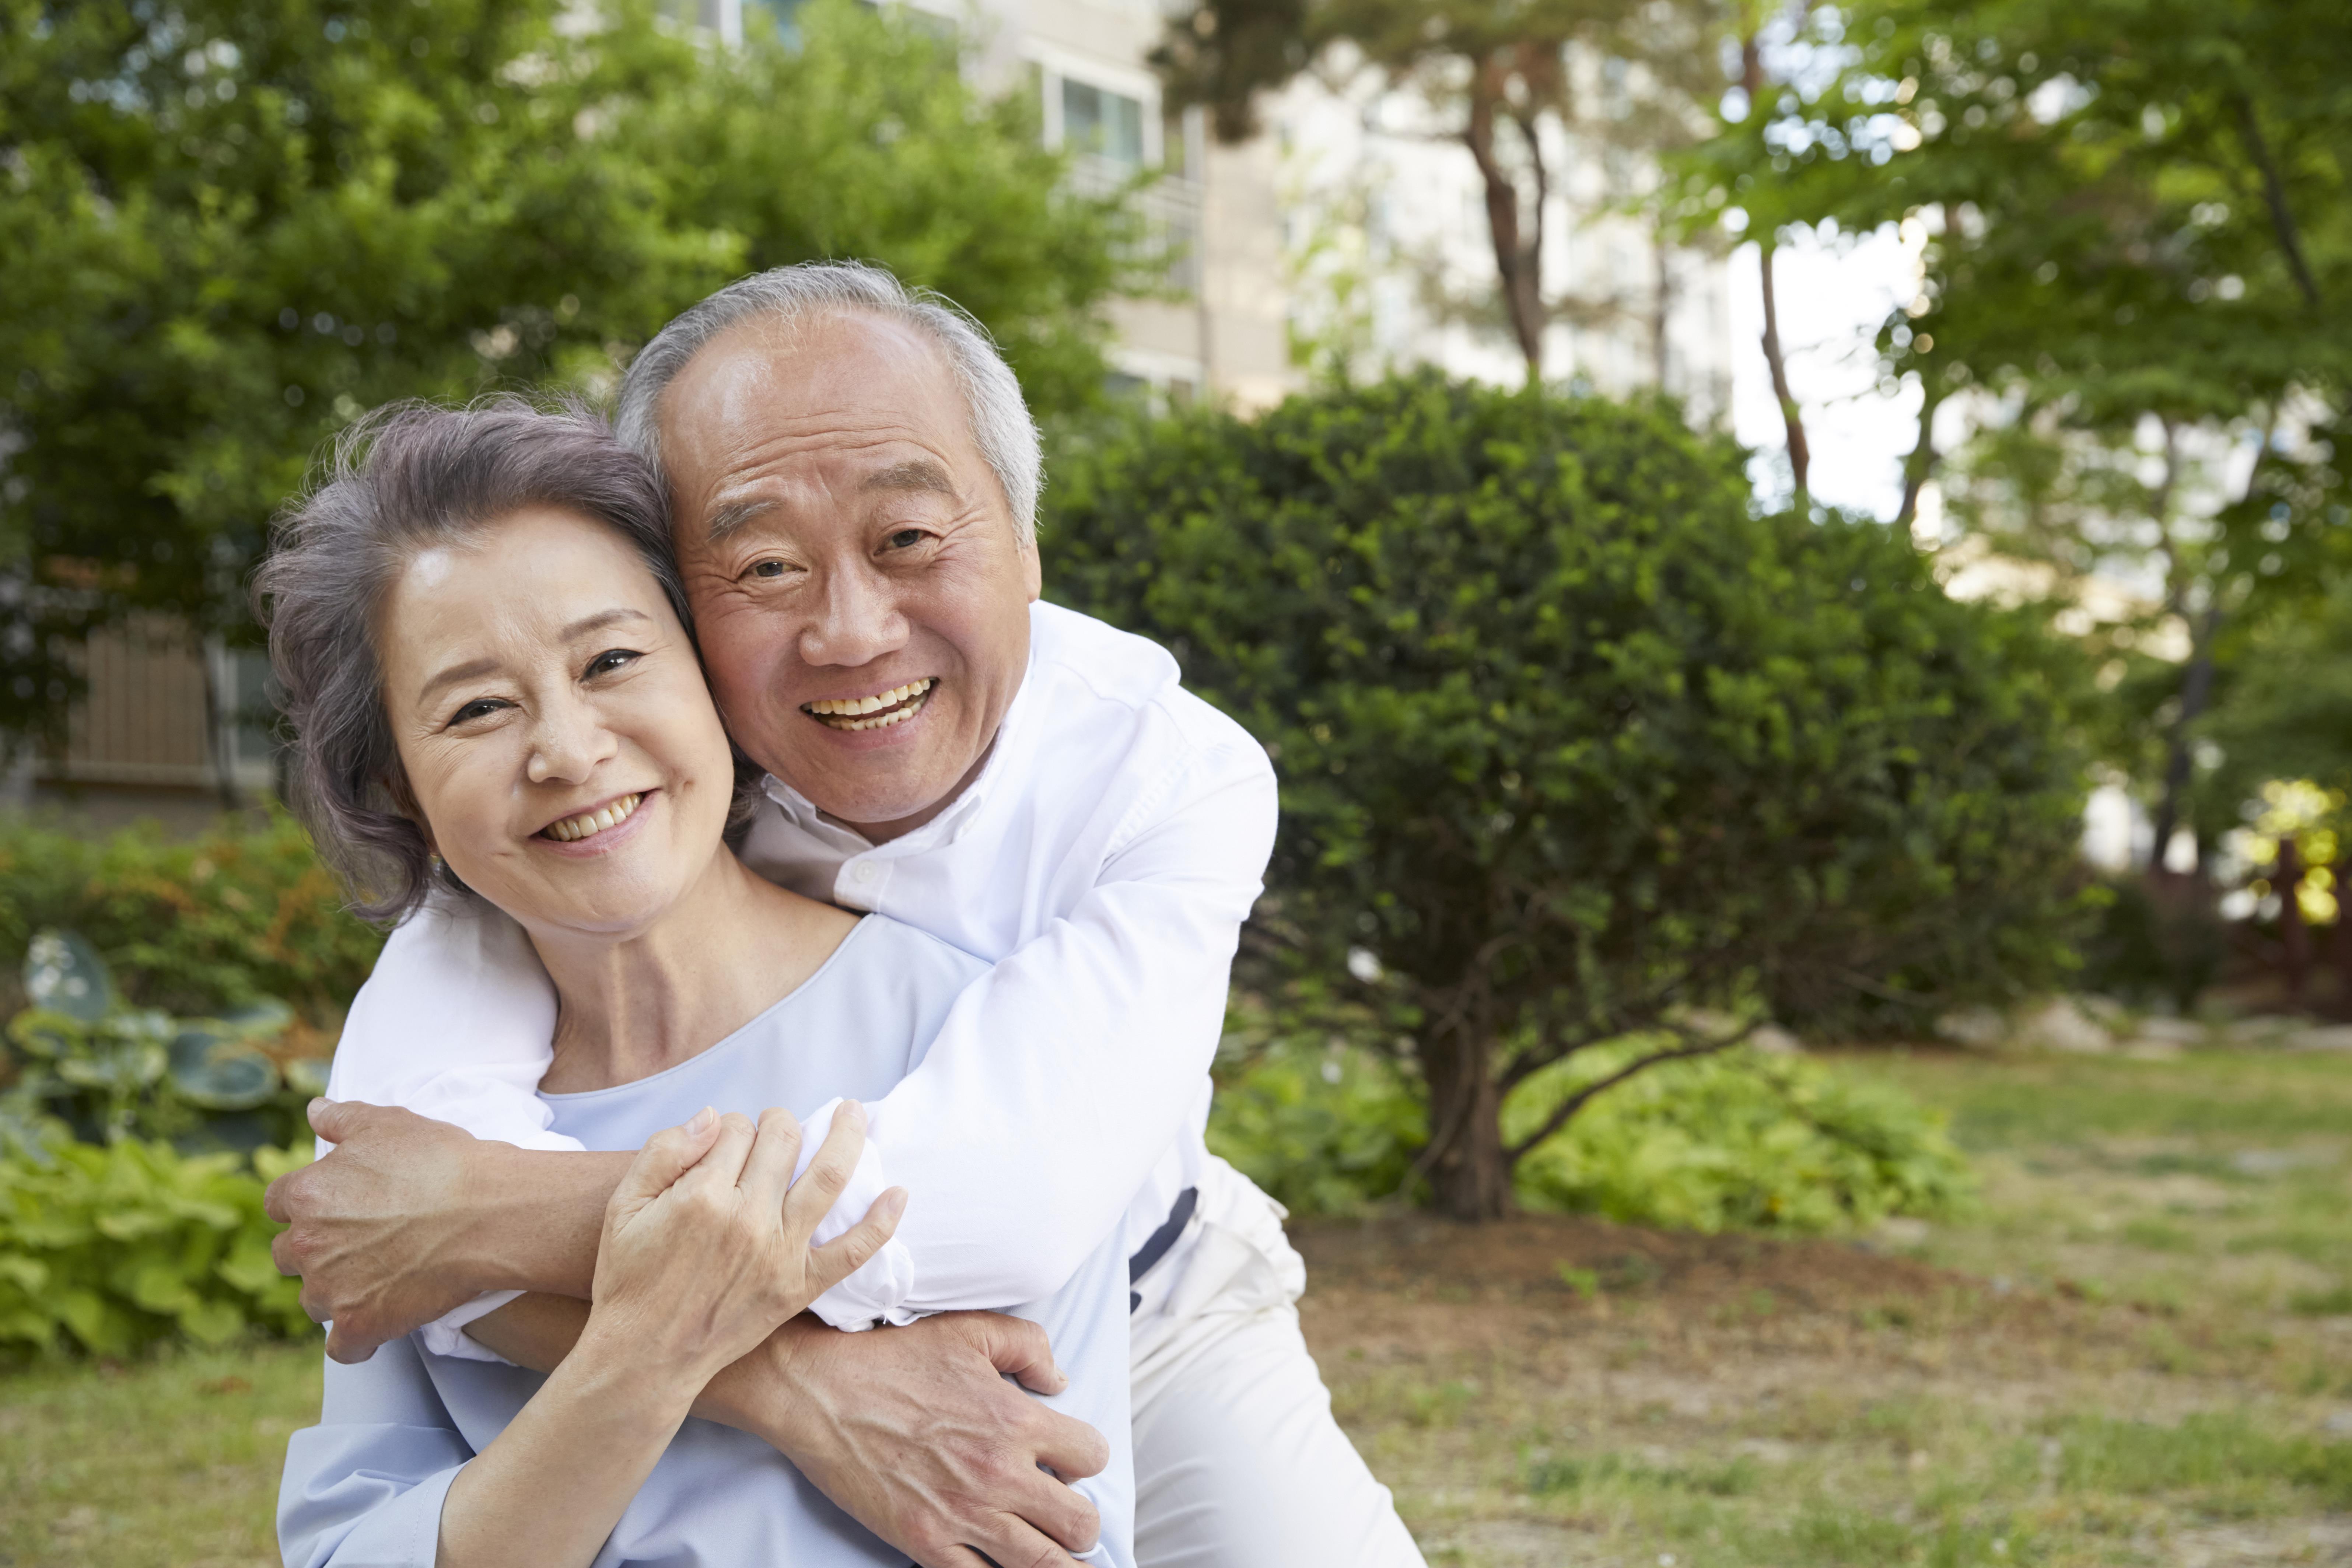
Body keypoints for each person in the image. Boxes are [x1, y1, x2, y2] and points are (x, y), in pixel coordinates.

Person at [266, 262, 1428, 1568]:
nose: (852, 632)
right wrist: (794, 1390)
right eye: (764, 563)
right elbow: (388, 1216)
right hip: (812, 1331)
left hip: (1145, 1288)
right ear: (691, 604)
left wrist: (482, 1219)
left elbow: (1013, 1194)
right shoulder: (597, 817)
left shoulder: (1161, 772)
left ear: (1026, 543)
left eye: (910, 539)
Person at [263, 400, 1135, 1568]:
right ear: (398, 782)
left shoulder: (968, 1035)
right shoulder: (418, 1130)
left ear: (714, 675)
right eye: (477, 708)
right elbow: (357, 1549)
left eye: (614, 660)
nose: (567, 750)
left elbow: (1054, 1525)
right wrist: (661, 1351)